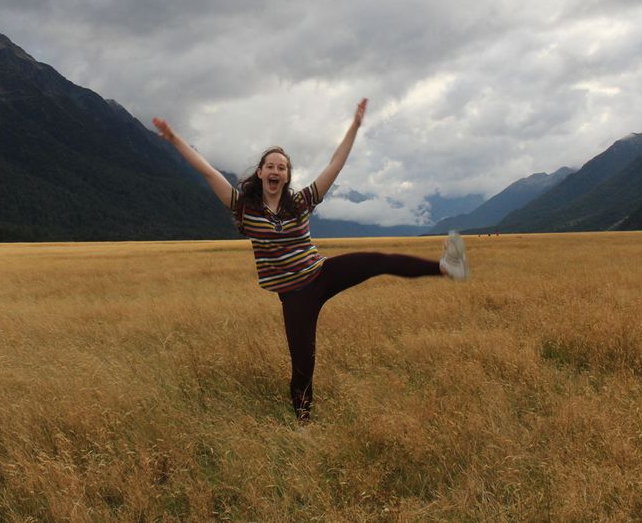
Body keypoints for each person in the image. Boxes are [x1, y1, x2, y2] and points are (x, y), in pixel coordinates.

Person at [153, 99, 469, 423]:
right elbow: (207, 171)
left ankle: (447, 267)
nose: (275, 171)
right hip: (294, 296)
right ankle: (304, 426)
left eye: (282, 167)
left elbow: (335, 164)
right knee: (304, 364)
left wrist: (355, 126)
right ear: (260, 173)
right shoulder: (244, 208)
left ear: (287, 175)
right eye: (270, 166)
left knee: (378, 260)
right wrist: (175, 138)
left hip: (321, 274)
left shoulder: (302, 201)